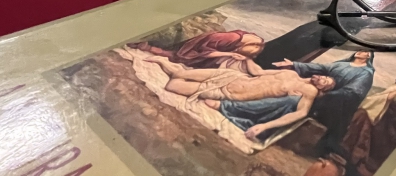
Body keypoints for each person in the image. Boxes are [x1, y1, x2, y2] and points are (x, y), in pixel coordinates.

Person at [147, 56, 336, 141]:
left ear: (322, 89)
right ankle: (162, 61)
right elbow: (258, 72)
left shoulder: (307, 91)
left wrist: (265, 126)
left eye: (325, 82)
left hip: (228, 94)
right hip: (232, 77)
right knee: (182, 73)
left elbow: (300, 113)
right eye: (324, 77)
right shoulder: (291, 73)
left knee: (173, 86)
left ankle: (167, 66)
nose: (322, 79)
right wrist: (247, 58)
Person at [129, 30, 266, 71]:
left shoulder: (257, 42)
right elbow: (203, 48)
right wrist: (229, 53)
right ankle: (147, 47)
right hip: (198, 45)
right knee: (180, 57)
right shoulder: (230, 39)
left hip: (213, 46)